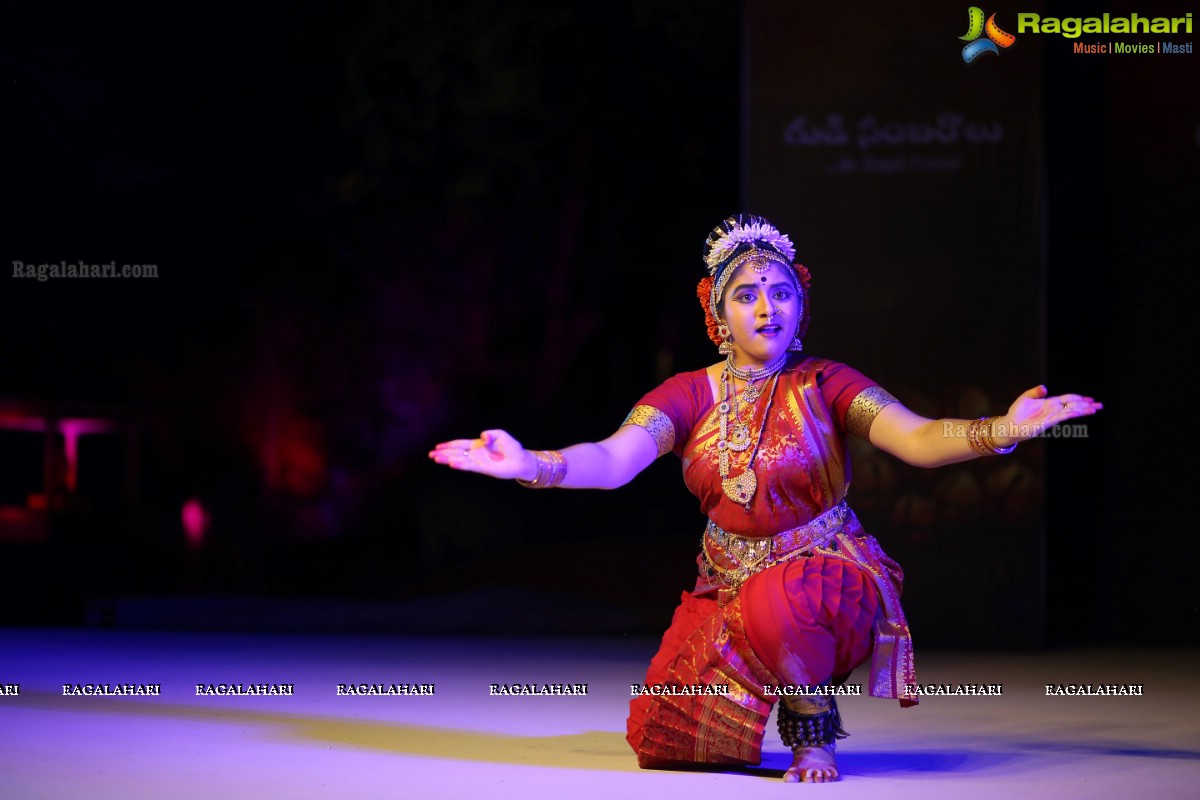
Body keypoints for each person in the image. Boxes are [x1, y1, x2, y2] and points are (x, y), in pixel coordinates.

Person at [428, 213, 1101, 783]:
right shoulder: (688, 395)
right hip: (725, 581)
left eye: (780, 292)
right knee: (665, 738)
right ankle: (751, 681)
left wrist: (1003, 432)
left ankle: (814, 731)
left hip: (828, 574)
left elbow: (918, 439)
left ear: (801, 306)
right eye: (746, 295)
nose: (766, 307)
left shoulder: (827, 383)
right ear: (717, 314)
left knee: (776, 599)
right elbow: (610, 461)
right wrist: (528, 464)